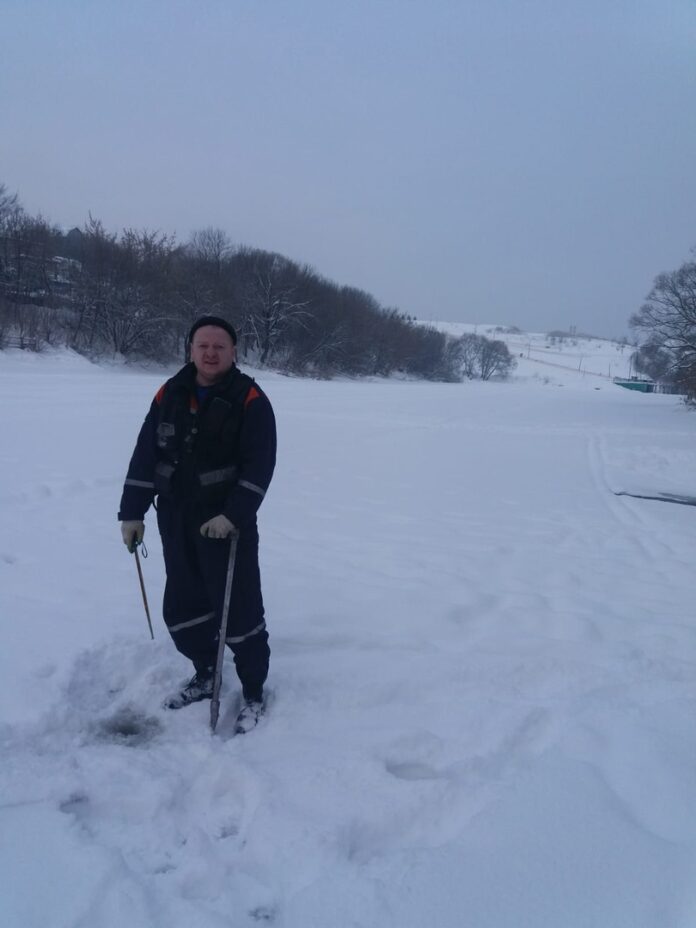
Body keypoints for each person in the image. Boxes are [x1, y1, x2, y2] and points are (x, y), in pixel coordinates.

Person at [118, 315, 276, 732]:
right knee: (183, 606)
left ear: (234, 352)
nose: (210, 353)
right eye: (202, 345)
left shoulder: (251, 399)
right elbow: (145, 454)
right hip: (176, 518)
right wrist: (132, 512)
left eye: (219, 346)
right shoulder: (169, 392)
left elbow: (259, 468)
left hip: (227, 526)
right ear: (190, 349)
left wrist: (233, 515)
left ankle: (255, 691)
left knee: (239, 613)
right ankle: (207, 672)